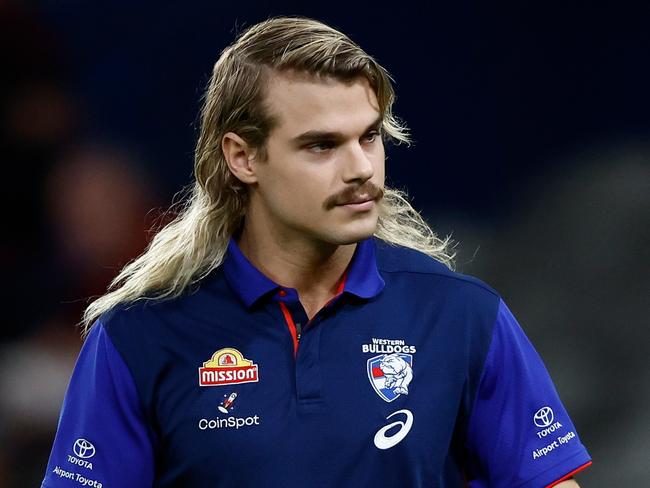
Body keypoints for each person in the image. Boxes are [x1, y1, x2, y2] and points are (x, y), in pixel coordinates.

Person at [41, 16, 591, 488]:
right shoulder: (139, 337)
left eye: (369, 137)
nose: (360, 169)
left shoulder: (464, 317)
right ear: (243, 157)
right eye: (322, 145)